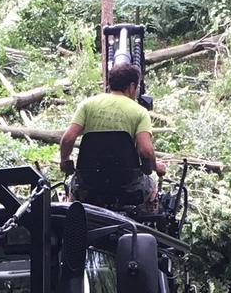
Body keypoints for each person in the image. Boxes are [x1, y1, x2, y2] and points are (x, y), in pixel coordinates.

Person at [58, 63, 167, 204]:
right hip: (127, 186)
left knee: (72, 188)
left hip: (88, 184)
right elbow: (145, 151)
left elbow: (67, 139)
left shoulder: (87, 105)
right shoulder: (140, 112)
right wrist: (155, 167)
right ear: (132, 86)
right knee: (152, 188)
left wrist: (64, 161)